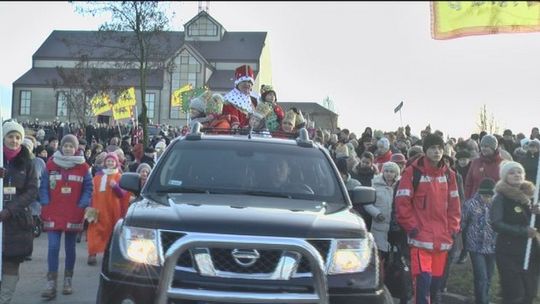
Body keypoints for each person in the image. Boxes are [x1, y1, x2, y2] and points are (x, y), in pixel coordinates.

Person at [395, 134, 461, 304]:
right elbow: (402, 203)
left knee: (435, 287)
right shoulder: (412, 173)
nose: (437, 151)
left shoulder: (449, 175)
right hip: (420, 240)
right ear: (425, 151)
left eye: (440, 148)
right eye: (432, 148)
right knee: (423, 284)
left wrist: (453, 229)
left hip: (442, 240)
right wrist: (412, 228)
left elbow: (455, 206)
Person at [39, 134, 93, 299]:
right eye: (65, 146)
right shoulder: (50, 164)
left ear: (76, 148)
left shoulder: (83, 167)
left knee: (70, 248)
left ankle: (68, 280)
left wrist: (81, 205)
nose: (68, 148)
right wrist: (45, 203)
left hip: (73, 213)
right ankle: (51, 282)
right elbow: (43, 186)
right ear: (61, 147)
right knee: (53, 247)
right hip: (53, 212)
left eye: (71, 146)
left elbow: (88, 188)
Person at [490, 161, 540, 304]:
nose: (516, 175)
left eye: (519, 172)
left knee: (529, 294)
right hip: (509, 252)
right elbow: (496, 223)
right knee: (514, 295)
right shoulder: (500, 197)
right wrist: (523, 231)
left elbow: (535, 224)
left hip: (530, 253)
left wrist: (538, 214)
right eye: (512, 173)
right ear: (505, 176)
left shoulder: (531, 196)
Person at [0, 121, 38, 303]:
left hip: (16, 222)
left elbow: (31, 191)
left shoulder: (27, 162)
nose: (14, 140)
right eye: (10, 136)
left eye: (17, 137)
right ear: (3, 137)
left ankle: (4, 299)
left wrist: (9, 210)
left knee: (10, 264)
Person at [86, 152, 129, 266]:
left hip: (112, 210)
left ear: (116, 163)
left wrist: (115, 186)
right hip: (98, 208)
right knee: (94, 230)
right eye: (108, 161)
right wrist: (90, 206)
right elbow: (92, 192)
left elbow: (122, 195)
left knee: (111, 231)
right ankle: (92, 253)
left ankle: (109, 253)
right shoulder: (98, 176)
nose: (110, 163)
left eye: (112, 161)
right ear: (105, 163)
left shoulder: (119, 177)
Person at [461, 178, 496, 304]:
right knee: (481, 276)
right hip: (475, 246)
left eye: (490, 196)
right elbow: (462, 222)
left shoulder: (496, 205)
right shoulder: (470, 204)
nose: (487, 198)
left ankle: (482, 298)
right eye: (484, 195)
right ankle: (483, 301)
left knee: (489, 277)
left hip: (492, 246)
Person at [366, 161, 401, 260]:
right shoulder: (375, 184)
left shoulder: (400, 186)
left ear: (396, 174)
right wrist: (376, 213)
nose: (389, 174)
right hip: (378, 225)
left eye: (391, 171)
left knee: (393, 256)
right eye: (386, 171)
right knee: (379, 255)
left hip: (394, 227)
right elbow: (368, 203)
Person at [465, 134, 503, 200]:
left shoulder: (502, 163)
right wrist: (468, 199)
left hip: (495, 201)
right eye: (482, 146)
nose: (483, 149)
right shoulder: (475, 162)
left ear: (493, 148)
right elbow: (469, 183)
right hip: (476, 202)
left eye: (486, 146)